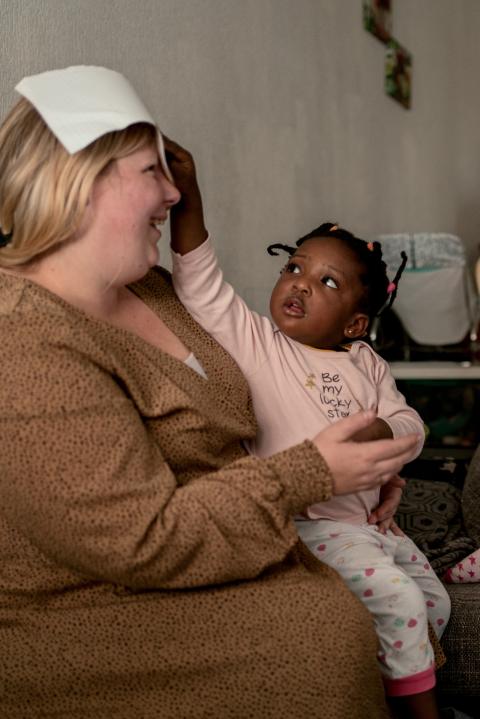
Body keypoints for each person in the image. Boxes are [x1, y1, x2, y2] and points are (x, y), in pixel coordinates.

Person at [0, 65, 421, 719]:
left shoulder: (150, 287)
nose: (174, 192)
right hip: (97, 605)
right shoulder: (25, 340)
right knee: (317, 642)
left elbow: (229, 332)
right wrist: (311, 471)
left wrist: (367, 463)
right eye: (154, 172)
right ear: (83, 179)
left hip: (241, 544)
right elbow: (140, 538)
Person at [170, 152, 451, 719]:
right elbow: (200, 283)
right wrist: (190, 201)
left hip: (373, 526)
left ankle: (382, 688)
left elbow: (410, 424)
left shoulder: (365, 361)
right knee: (399, 602)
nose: (299, 284)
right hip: (312, 525)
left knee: (434, 604)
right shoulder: (257, 343)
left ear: (353, 324)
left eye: (326, 281)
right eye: (293, 268)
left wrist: (382, 430)